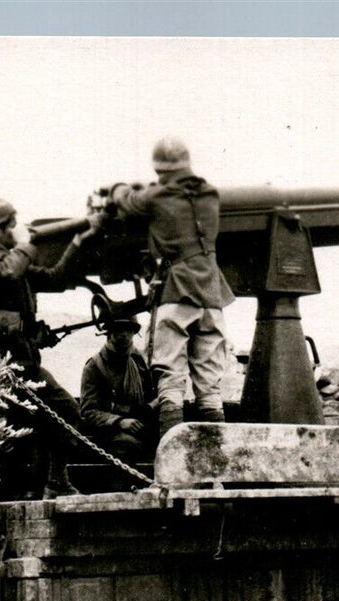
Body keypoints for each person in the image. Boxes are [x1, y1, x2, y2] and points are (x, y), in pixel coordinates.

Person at [0, 197, 97, 499]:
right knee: (7, 433)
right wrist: (27, 244)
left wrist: (79, 240)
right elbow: (6, 273)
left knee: (65, 410)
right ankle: (6, 494)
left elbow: (56, 278)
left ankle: (56, 482)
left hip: (23, 363)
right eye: (12, 225)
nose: (17, 230)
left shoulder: (15, 262)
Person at [105, 136, 236, 436]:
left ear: (160, 171)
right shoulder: (210, 194)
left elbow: (127, 203)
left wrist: (117, 189)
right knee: (210, 384)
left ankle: (171, 470)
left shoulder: (158, 196)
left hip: (177, 290)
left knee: (171, 379)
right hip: (211, 294)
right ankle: (215, 472)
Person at [79, 315, 158, 464]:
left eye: (129, 330)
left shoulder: (138, 360)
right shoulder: (95, 366)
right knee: (129, 445)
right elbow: (89, 411)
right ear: (109, 333)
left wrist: (152, 404)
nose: (124, 335)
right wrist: (120, 422)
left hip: (139, 423)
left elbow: (151, 394)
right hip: (110, 431)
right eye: (119, 330)